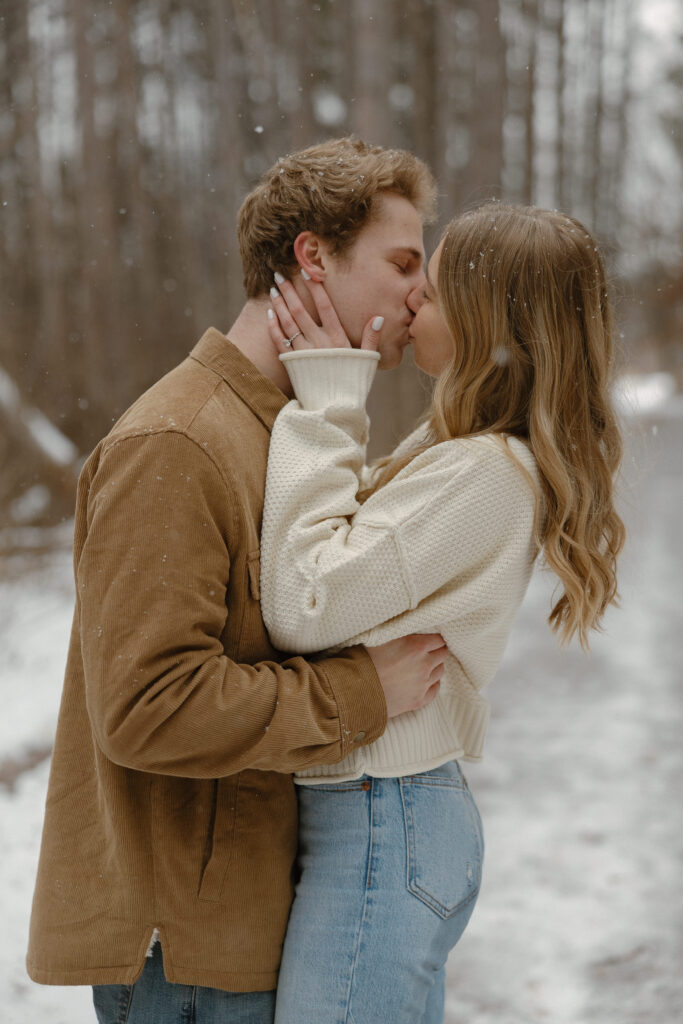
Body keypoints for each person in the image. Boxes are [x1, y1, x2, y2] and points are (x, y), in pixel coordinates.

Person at [26, 137, 447, 1023]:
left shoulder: (285, 434)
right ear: (311, 256)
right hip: (187, 957)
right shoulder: (177, 444)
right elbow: (149, 705)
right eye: (401, 262)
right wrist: (358, 693)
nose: (419, 291)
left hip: (250, 933)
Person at [261, 202, 626, 1024]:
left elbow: (306, 602)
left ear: (488, 316)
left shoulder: (487, 472)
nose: (412, 301)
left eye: (432, 286)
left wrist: (326, 400)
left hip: (381, 822)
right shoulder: (459, 452)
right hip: (383, 820)